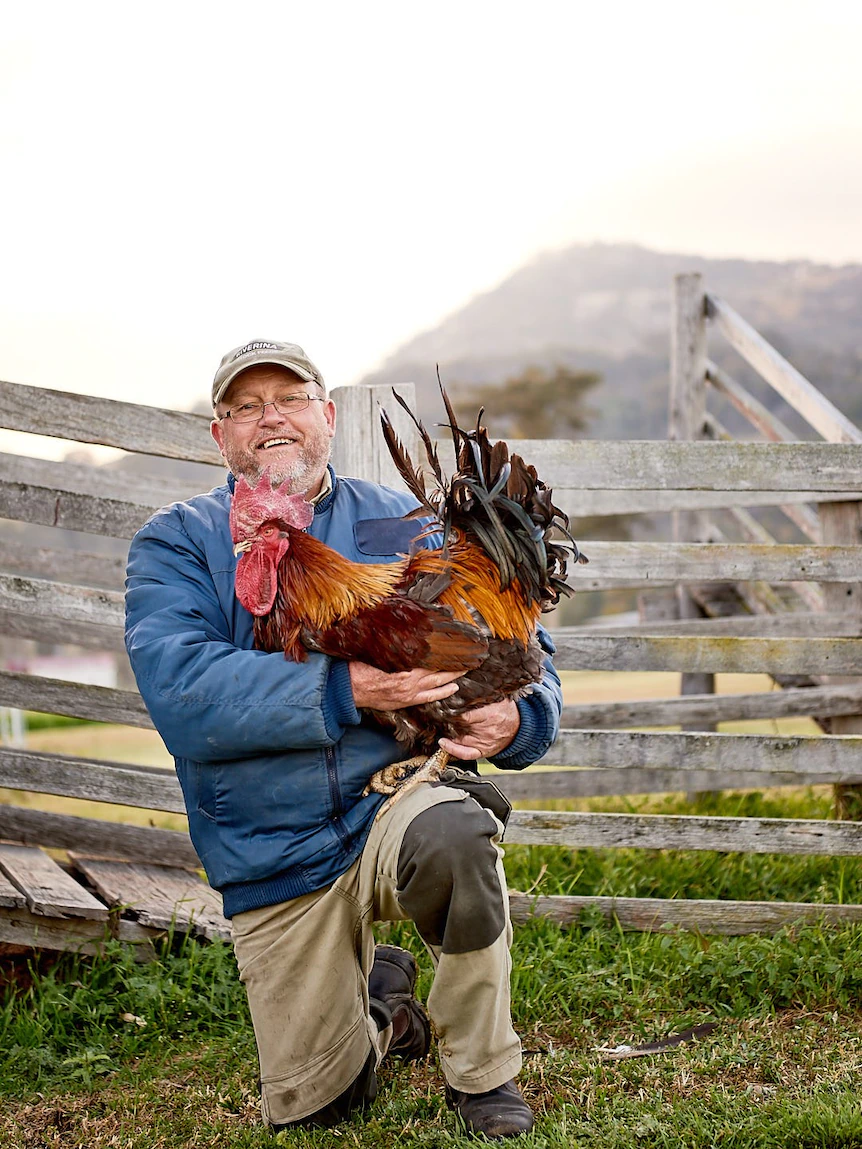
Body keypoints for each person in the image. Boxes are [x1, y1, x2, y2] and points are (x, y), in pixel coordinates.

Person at [124, 339, 563, 1139]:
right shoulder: (177, 542)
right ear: (219, 436)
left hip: (389, 807)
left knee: (459, 831)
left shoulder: (401, 522)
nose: (270, 420)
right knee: (322, 1108)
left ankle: (485, 1073)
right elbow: (182, 692)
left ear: (326, 417)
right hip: (270, 847)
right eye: (246, 407)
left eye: (288, 399)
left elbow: (523, 654)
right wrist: (348, 687)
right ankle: (387, 1008)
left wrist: (520, 717)